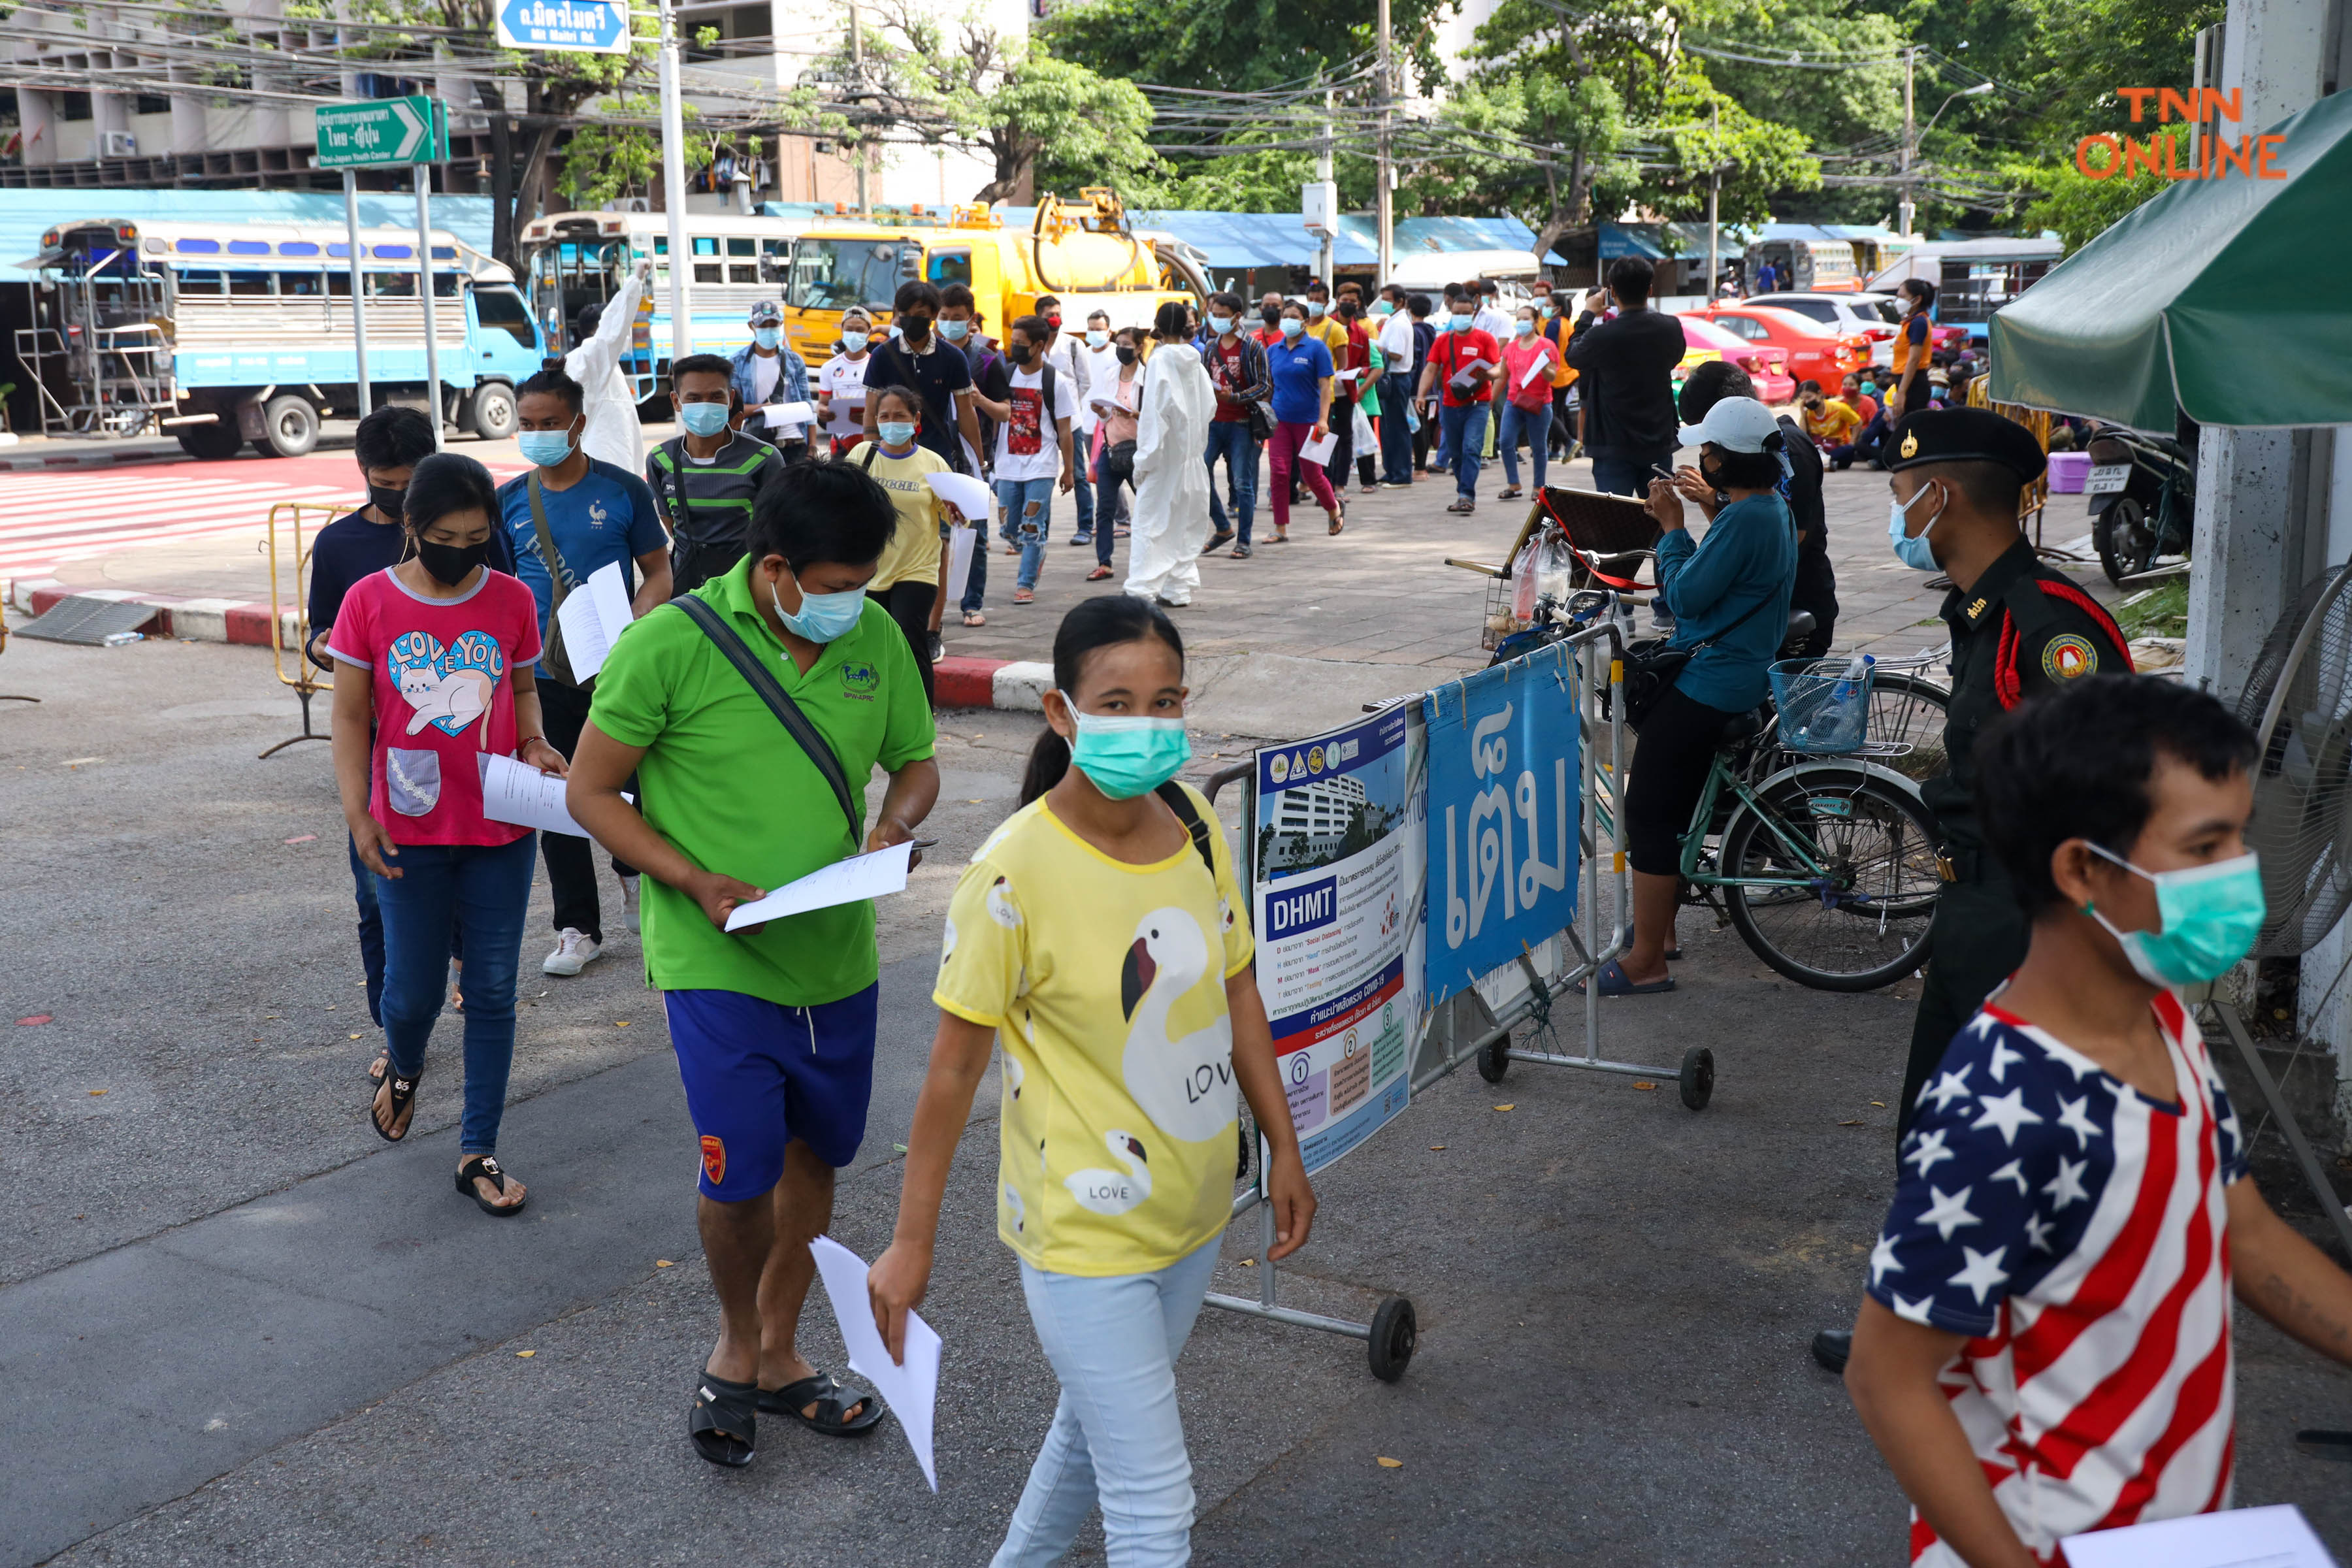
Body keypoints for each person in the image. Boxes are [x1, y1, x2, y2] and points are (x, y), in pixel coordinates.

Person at [1844, 673, 2352, 1566]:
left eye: (2239, 835)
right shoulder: (2005, 1107)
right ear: (2082, 869)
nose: (2243, 872)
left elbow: (2241, 1230)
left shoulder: (2158, 1018)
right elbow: (1888, 1378)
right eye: (2206, 847)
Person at [868, 594, 1317, 1567]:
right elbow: (951, 1072)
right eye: (1118, 702)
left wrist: (1284, 1145)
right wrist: (910, 1244)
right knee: (1155, 1509)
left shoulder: (1194, 820)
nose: (1149, 725)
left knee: (1089, 1436)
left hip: (1196, 1212)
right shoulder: (1010, 876)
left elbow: (1238, 992)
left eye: (1168, 701)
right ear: (1062, 715)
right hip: (1084, 1237)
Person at [567, 460, 940, 1468]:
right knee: (739, 1175)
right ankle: (733, 1345)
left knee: (817, 1157)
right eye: (833, 584)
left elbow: (916, 761)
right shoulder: (669, 646)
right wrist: (691, 879)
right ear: (774, 568)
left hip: (838, 954)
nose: (850, 603)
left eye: (862, 582)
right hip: (715, 959)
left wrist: (892, 826)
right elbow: (591, 793)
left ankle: (778, 1354)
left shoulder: (871, 638)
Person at [1806, 406, 2136, 1377]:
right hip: (1974, 906)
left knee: (1998, 1143)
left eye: (1904, 490)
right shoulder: (1983, 611)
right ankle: (1933, 1323)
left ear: (1941, 494)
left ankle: (1988, 1344)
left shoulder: (2047, 625)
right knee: (1940, 1131)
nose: (1900, 508)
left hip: (2025, 921)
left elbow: (2111, 789)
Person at [329, 451, 559, 1217]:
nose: (462, 550)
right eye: (446, 535)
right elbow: (352, 716)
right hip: (406, 828)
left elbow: (522, 686)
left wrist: (533, 744)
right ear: (411, 527)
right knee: (413, 992)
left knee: (492, 991)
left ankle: (478, 1150)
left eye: (476, 535)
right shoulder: (369, 601)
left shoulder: (513, 599)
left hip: (501, 824)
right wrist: (358, 813)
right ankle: (404, 1062)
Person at [1590, 396, 1795, 996]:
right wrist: (1707, 513)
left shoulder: (1748, 517)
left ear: (1727, 461)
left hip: (1713, 683)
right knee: (1672, 812)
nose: (1700, 457)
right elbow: (1733, 573)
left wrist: (1673, 529)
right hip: (1740, 673)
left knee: (1650, 815)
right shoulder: (1765, 507)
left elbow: (1684, 599)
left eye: (1707, 450)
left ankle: (1647, 960)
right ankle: (1664, 931)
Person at [306, 405, 474, 1034]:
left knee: (464, 884)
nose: (399, 498)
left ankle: (461, 971)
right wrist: (324, 647)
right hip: (384, 752)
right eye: (385, 481)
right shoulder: (341, 544)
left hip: (462, 743)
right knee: (379, 891)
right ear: (362, 471)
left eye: (411, 484)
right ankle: (395, 1029)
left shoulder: (464, 536)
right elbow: (320, 629)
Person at [499, 366, 671, 977]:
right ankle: (578, 927)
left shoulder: (623, 490)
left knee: (635, 787)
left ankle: (636, 877)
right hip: (540, 676)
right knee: (556, 796)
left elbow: (658, 572)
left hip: (614, 666)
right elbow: (500, 585)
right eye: (528, 425)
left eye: (550, 424)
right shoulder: (512, 500)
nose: (538, 434)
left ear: (579, 423)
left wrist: (634, 621)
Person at [1682, 362, 1838, 659]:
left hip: (1797, 604)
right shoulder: (1747, 459)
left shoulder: (1783, 450)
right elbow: (1734, 533)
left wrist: (1679, 525)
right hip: (1759, 611)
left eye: (1710, 432)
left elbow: (1791, 538)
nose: (1707, 446)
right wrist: (1705, 497)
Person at [649, 353, 789, 598]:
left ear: (730, 399)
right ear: (676, 401)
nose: (706, 405)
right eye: (694, 398)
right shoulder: (660, 460)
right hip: (688, 589)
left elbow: (778, 529)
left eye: (716, 397)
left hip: (747, 589)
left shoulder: (765, 458)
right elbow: (672, 523)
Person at [855, 384, 958, 701]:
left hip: (917, 568)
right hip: (868, 568)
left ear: (915, 420)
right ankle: (880, 711)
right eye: (884, 416)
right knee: (870, 644)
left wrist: (959, 510)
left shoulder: (933, 463)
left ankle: (923, 717)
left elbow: (955, 514)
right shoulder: (862, 455)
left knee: (910, 638)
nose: (891, 421)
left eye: (899, 415)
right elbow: (839, 502)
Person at [976, 314, 1079, 608]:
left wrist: (1068, 470)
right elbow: (996, 417)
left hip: (1041, 465)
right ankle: (1037, 552)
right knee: (1009, 529)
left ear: (1039, 345)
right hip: (1008, 464)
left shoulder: (1054, 381)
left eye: (1021, 344)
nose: (1014, 348)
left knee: (1031, 526)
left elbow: (1064, 430)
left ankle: (1025, 583)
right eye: (1013, 343)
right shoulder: (1005, 375)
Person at [1564, 257, 1684, 498]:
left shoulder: (1602, 336)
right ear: (1650, 289)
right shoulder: (1670, 327)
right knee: (1661, 517)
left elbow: (1573, 357)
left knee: (1616, 520)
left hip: (1612, 446)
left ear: (1613, 292)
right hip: (1657, 439)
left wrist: (1587, 314)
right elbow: (1674, 358)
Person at [1128, 300, 1216, 607]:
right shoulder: (1196, 361)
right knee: (1183, 522)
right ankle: (1177, 589)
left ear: (1159, 326)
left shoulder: (1160, 360)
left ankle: (1141, 591)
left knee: (1150, 523)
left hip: (1165, 459)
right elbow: (1209, 407)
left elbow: (1155, 414)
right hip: (1191, 458)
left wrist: (1144, 461)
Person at [862, 280, 986, 482]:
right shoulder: (882, 355)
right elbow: (870, 410)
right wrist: (871, 456)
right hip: (891, 455)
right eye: (906, 315)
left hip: (937, 456)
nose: (912, 321)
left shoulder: (952, 357)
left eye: (920, 315)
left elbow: (966, 413)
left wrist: (979, 465)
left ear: (934, 315)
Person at [940, 285, 1000, 627]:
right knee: (934, 536)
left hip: (973, 458)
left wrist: (983, 460)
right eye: (943, 318)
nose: (949, 324)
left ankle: (971, 602)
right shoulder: (927, 358)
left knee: (973, 536)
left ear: (971, 319)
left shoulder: (987, 360)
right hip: (935, 453)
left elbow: (1002, 410)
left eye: (956, 319)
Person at [1198, 292, 1270, 557]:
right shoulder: (1210, 347)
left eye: (1221, 316)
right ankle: (1222, 527)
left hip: (1242, 423)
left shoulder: (1252, 347)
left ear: (1237, 317)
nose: (1216, 320)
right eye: (1213, 315)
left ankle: (1244, 541)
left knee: (1243, 483)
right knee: (1199, 473)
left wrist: (1236, 397)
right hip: (1214, 423)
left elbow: (1264, 385)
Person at [1264, 300, 1342, 541]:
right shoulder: (1273, 351)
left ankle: (1333, 509)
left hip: (1310, 422)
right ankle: (1280, 528)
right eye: (1285, 315)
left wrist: (1323, 419)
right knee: (1278, 472)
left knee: (1311, 475)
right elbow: (1269, 386)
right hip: (1280, 421)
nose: (1288, 320)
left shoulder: (1316, 349)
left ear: (1305, 321)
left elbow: (1325, 386)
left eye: (1293, 316)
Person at [1416, 292, 1500, 514]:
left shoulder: (1485, 339)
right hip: (1450, 404)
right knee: (1457, 452)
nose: (1462, 317)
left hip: (1478, 403)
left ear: (1473, 313)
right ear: (1451, 313)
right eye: (1457, 313)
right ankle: (1463, 490)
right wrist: (1421, 395)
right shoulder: (1443, 340)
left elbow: (1498, 368)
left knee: (1472, 448)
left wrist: (1488, 374)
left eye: (1466, 313)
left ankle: (1466, 495)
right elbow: (1431, 369)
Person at [564, 263, 650, 472]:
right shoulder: (595, 355)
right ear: (599, 329)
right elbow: (614, 327)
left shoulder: (589, 361)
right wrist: (635, 282)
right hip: (606, 461)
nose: (625, 335)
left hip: (599, 460)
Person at [1030, 295, 1096, 551]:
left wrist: (1068, 407)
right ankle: (1040, 528)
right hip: (1041, 423)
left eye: (1057, 313)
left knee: (1078, 474)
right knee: (1043, 475)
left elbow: (1085, 381)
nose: (1054, 318)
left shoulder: (1073, 345)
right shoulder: (1033, 345)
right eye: (1049, 315)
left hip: (1071, 422)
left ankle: (1084, 527)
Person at [1086, 326, 1147, 583]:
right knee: (1105, 509)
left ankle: (1146, 561)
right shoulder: (1111, 374)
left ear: (1140, 348)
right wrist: (1100, 409)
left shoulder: (1147, 378)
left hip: (1138, 452)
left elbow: (1155, 417)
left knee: (1146, 508)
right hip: (1111, 449)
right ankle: (1104, 562)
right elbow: (1105, 414)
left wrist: (1134, 414)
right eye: (1119, 344)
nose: (1122, 349)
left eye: (1128, 345)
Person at [730, 301, 811, 461]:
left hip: (796, 444)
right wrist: (763, 408)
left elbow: (808, 406)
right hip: (761, 444)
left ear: (781, 324)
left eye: (773, 325)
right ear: (751, 326)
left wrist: (813, 447)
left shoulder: (795, 361)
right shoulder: (738, 362)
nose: (769, 330)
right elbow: (733, 409)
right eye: (763, 325)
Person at [1495, 302, 1561, 500]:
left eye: (1526, 318)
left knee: (1538, 446)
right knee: (1506, 441)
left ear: (1535, 321)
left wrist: (1543, 368)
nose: (1522, 322)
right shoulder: (1511, 348)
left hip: (1539, 402)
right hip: (1514, 401)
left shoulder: (1546, 345)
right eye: (1519, 318)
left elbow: (1552, 376)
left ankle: (1538, 486)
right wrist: (1490, 399)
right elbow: (1502, 375)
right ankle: (1513, 484)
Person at [1076, 308, 1124, 548]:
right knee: (1099, 472)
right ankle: (1117, 518)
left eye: (1099, 329)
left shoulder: (1117, 355)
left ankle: (1123, 519)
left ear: (1109, 331)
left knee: (1109, 471)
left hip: (1108, 422)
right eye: (1091, 329)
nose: (1094, 333)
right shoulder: (1083, 354)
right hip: (1087, 421)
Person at [1323, 295, 1372, 499]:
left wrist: (1361, 373)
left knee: (1345, 439)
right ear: (1337, 300)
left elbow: (1367, 364)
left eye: (1353, 301)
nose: (1349, 304)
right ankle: (1323, 485)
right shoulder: (1327, 326)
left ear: (1359, 304)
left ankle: (1340, 485)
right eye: (1345, 299)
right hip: (1325, 393)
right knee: (1324, 438)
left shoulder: (1360, 333)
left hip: (1347, 392)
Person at [817, 306, 880, 458]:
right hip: (840, 443)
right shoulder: (829, 367)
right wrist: (822, 411)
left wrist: (870, 415)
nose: (854, 334)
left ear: (869, 332)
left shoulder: (878, 365)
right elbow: (822, 403)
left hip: (871, 440)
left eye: (860, 330)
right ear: (842, 330)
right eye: (849, 329)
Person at [1373, 283, 1418, 487]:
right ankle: (1391, 470)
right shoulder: (1393, 321)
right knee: (1388, 428)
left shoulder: (1400, 324)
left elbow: (1396, 353)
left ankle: (1401, 473)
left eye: (1388, 299)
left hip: (1397, 378)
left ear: (1399, 302)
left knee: (1398, 427)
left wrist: (1377, 347)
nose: (1385, 303)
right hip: (1390, 378)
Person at [1888, 278, 1936, 420]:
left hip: (1914, 385)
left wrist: (1902, 392)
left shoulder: (1918, 323)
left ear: (1917, 300)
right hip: (1907, 382)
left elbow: (1914, 359)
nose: (1898, 300)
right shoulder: (1910, 322)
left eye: (1902, 297)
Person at [1407, 294, 1439, 472]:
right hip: (1431, 388)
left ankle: (1419, 467)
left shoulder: (1414, 331)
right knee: (1424, 427)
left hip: (1416, 388)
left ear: (1409, 309)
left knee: (1417, 428)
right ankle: (1421, 465)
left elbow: (1414, 361)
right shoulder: (1430, 330)